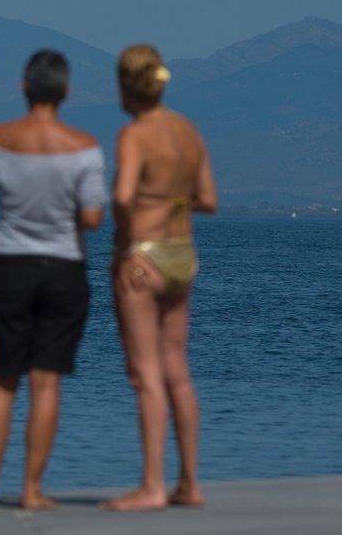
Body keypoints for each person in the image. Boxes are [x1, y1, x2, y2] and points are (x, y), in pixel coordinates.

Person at [0, 49, 106, 510]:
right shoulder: (84, 148)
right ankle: (31, 490)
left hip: (10, 266)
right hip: (64, 269)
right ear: (65, 91)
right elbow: (94, 217)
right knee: (46, 382)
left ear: (24, 89)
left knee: (3, 379)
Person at [103, 45, 217, 512]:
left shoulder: (135, 135)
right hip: (182, 254)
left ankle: (152, 484)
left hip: (144, 257)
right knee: (178, 372)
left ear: (125, 88)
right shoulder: (187, 130)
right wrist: (173, 200)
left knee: (145, 373)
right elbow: (207, 199)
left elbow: (124, 196)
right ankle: (189, 482)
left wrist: (128, 246)